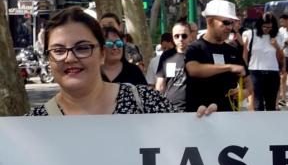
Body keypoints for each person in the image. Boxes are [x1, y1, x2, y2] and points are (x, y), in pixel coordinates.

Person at [27, 7, 212, 116]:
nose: (70, 58)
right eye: (58, 51)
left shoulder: (146, 103)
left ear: (101, 53)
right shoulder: (34, 125)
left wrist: (202, 125)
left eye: (82, 48)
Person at [184, 0, 247, 112]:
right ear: (210, 21)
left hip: (228, 116)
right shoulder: (195, 48)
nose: (230, 27)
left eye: (232, 23)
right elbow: (193, 69)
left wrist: (244, 92)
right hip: (199, 116)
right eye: (226, 22)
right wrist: (229, 67)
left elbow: (248, 81)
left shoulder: (233, 51)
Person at [243, 12, 284, 111]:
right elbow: (244, 55)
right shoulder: (250, 34)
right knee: (258, 104)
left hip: (272, 72)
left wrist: (277, 47)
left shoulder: (278, 36)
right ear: (259, 25)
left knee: (271, 105)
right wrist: (245, 71)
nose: (267, 29)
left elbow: (281, 58)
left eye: (270, 27)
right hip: (255, 71)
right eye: (264, 27)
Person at [155, 21, 191, 111]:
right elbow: (160, 84)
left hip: (194, 107)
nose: (180, 39)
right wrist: (158, 105)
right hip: (171, 107)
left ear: (190, 36)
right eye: (176, 36)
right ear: (173, 38)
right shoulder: (166, 55)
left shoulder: (197, 54)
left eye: (184, 36)